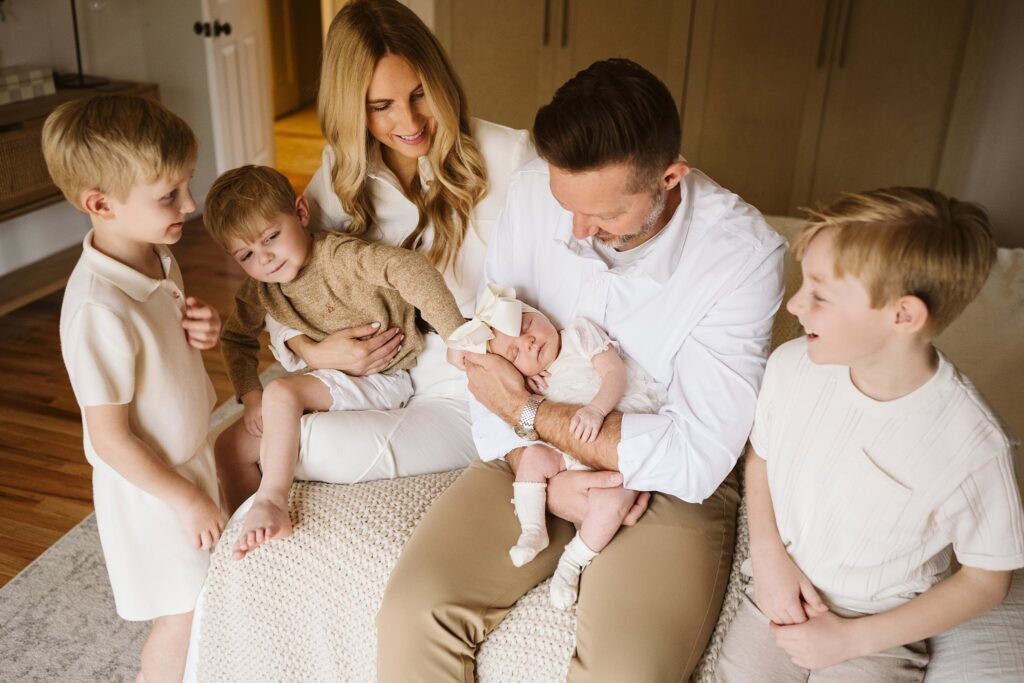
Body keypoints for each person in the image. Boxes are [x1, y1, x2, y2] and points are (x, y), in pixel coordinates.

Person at [377, 58, 787, 681]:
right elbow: (490, 358)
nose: (577, 231)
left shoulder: (744, 256)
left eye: (604, 218)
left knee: (626, 672)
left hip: (662, 485)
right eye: (565, 204)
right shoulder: (531, 189)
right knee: (413, 611)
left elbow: (697, 453)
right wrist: (526, 459)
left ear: (670, 177)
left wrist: (530, 412)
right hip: (531, 451)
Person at [213, 0, 534, 510]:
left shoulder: (512, 155)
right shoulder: (343, 174)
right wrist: (310, 351)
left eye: (419, 94)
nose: (408, 121)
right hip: (386, 373)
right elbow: (281, 278)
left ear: (441, 81)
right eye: (380, 106)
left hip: (473, 379)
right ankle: (234, 568)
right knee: (236, 443)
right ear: (351, 108)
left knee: (289, 446)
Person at [713, 188, 1024, 681]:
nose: (795, 304)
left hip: (876, 627)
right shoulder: (792, 367)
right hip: (779, 592)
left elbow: (987, 580)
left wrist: (850, 640)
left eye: (820, 293)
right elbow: (762, 457)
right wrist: (770, 559)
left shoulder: (971, 444)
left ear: (903, 316)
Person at [43, 95, 224, 683]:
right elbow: (112, 440)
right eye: (169, 195)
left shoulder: (157, 255)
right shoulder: (98, 310)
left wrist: (202, 328)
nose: (190, 205)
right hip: (152, 489)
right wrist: (186, 499)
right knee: (183, 614)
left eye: (187, 185)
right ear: (101, 204)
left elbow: (165, 348)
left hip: (188, 460)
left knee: (211, 597)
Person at [204, 165, 466, 559]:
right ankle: (252, 544)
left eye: (272, 237)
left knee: (282, 391)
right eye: (246, 254)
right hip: (328, 378)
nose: (266, 259)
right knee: (226, 445)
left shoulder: (338, 257)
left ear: (301, 214)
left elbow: (409, 268)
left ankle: (274, 500)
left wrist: (456, 335)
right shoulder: (260, 289)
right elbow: (236, 338)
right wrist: (250, 395)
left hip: (385, 374)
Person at [448, 284, 668, 609]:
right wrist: (519, 379)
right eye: (514, 354)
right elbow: (458, 355)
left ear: (539, 315)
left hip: (618, 433)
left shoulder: (578, 334)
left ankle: (573, 561)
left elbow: (614, 373)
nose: (528, 343)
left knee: (613, 500)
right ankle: (533, 529)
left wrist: (597, 409)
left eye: (526, 326)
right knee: (534, 458)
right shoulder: (529, 382)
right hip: (571, 448)